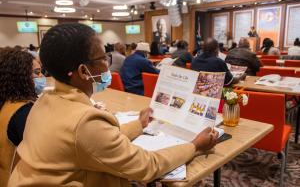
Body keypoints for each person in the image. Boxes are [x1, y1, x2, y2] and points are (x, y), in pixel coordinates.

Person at [8, 23, 218, 187]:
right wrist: (195, 145)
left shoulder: (45, 100)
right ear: (83, 71)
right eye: (104, 57)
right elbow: (147, 166)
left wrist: (139, 124)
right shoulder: (85, 122)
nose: (108, 63)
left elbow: (97, 142)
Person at [0, 48, 42, 186]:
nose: (41, 76)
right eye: (36, 73)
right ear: (20, 77)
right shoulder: (23, 112)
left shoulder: (6, 102)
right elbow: (44, 154)